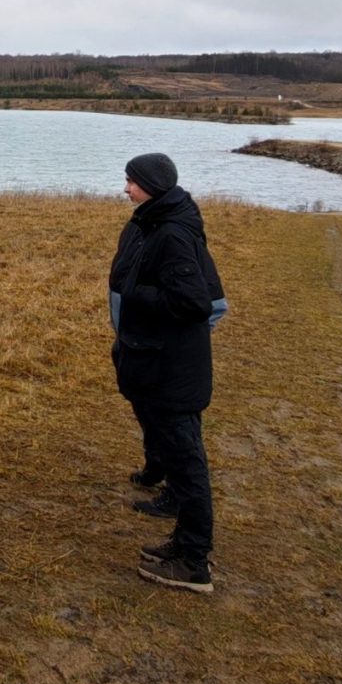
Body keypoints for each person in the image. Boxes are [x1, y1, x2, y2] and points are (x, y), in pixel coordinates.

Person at [108, 153, 223, 595]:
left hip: (173, 367)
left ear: (152, 184)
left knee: (187, 461)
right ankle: (182, 544)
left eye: (132, 181)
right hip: (161, 361)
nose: (126, 188)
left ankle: (194, 561)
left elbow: (193, 303)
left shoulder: (172, 232)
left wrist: (136, 292)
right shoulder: (159, 221)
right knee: (181, 457)